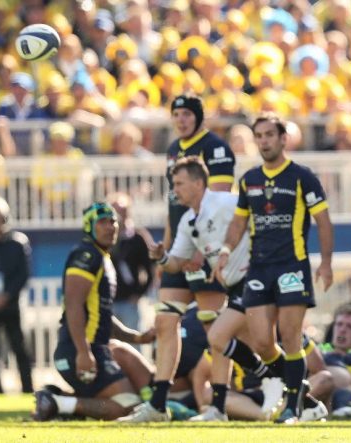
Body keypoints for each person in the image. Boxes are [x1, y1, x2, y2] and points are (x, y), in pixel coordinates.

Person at [216, 112, 334, 424]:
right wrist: (226, 250)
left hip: (291, 266)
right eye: (260, 135)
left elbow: (323, 220)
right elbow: (240, 220)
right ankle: (303, 396)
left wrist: (326, 263)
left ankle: (292, 409)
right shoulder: (249, 179)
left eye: (270, 134)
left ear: (283, 139)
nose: (264, 141)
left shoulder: (301, 176)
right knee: (261, 342)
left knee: (291, 335)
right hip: (259, 270)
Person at [124, 156, 253, 422]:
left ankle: (284, 385)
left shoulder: (225, 202)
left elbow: (253, 213)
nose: (175, 190)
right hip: (232, 281)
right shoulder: (187, 221)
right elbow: (175, 263)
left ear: (198, 183)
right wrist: (161, 257)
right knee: (198, 329)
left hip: (252, 278)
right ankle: (190, 406)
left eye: (180, 183)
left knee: (256, 339)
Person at [134, 95, 235, 421]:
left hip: (205, 251)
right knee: (165, 321)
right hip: (179, 247)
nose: (180, 119)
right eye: (175, 114)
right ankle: (158, 404)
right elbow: (173, 208)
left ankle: (218, 406)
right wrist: (165, 255)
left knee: (214, 328)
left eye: (186, 113)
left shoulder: (217, 148)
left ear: (199, 117)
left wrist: (204, 252)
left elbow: (219, 206)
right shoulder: (173, 149)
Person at [33, 202, 155, 421]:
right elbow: (73, 304)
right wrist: (83, 351)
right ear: (89, 226)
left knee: (138, 396)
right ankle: (58, 404)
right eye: (102, 222)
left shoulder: (103, 257)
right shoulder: (86, 255)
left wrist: (137, 336)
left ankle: (58, 400)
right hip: (77, 350)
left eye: (113, 221)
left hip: (94, 348)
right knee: (129, 406)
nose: (110, 227)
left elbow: (103, 316)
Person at [0, 195, 33, 394]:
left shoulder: (17, 243)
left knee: (19, 347)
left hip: (10, 305)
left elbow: (23, 274)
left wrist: (6, 295)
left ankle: (28, 388)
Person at [108, 192, 154, 332]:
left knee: (132, 344)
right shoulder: (105, 238)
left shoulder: (137, 238)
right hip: (109, 302)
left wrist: (139, 294)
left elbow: (150, 269)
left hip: (129, 302)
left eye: (122, 211)